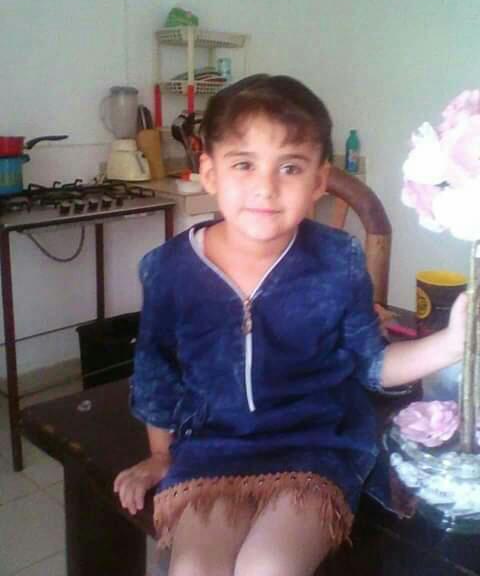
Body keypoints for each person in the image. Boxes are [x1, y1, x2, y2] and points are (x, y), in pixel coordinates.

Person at [114, 74, 467, 576]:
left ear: (318, 182)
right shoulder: (167, 268)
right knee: (192, 568)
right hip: (211, 447)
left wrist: (454, 342)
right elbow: (157, 371)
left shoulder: (337, 259)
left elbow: (372, 364)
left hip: (315, 446)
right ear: (209, 172)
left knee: (269, 566)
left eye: (290, 167)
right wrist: (158, 455)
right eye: (244, 164)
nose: (266, 187)